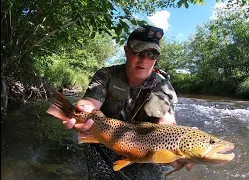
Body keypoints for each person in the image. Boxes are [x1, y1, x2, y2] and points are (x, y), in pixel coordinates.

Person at [62, 25, 194, 179]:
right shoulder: (106, 75)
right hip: (104, 138)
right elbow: (90, 103)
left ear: (156, 58)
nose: (144, 59)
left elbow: (167, 127)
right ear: (126, 51)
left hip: (142, 147)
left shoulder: (163, 87)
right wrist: (83, 110)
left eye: (151, 54)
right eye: (138, 50)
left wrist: (175, 152)